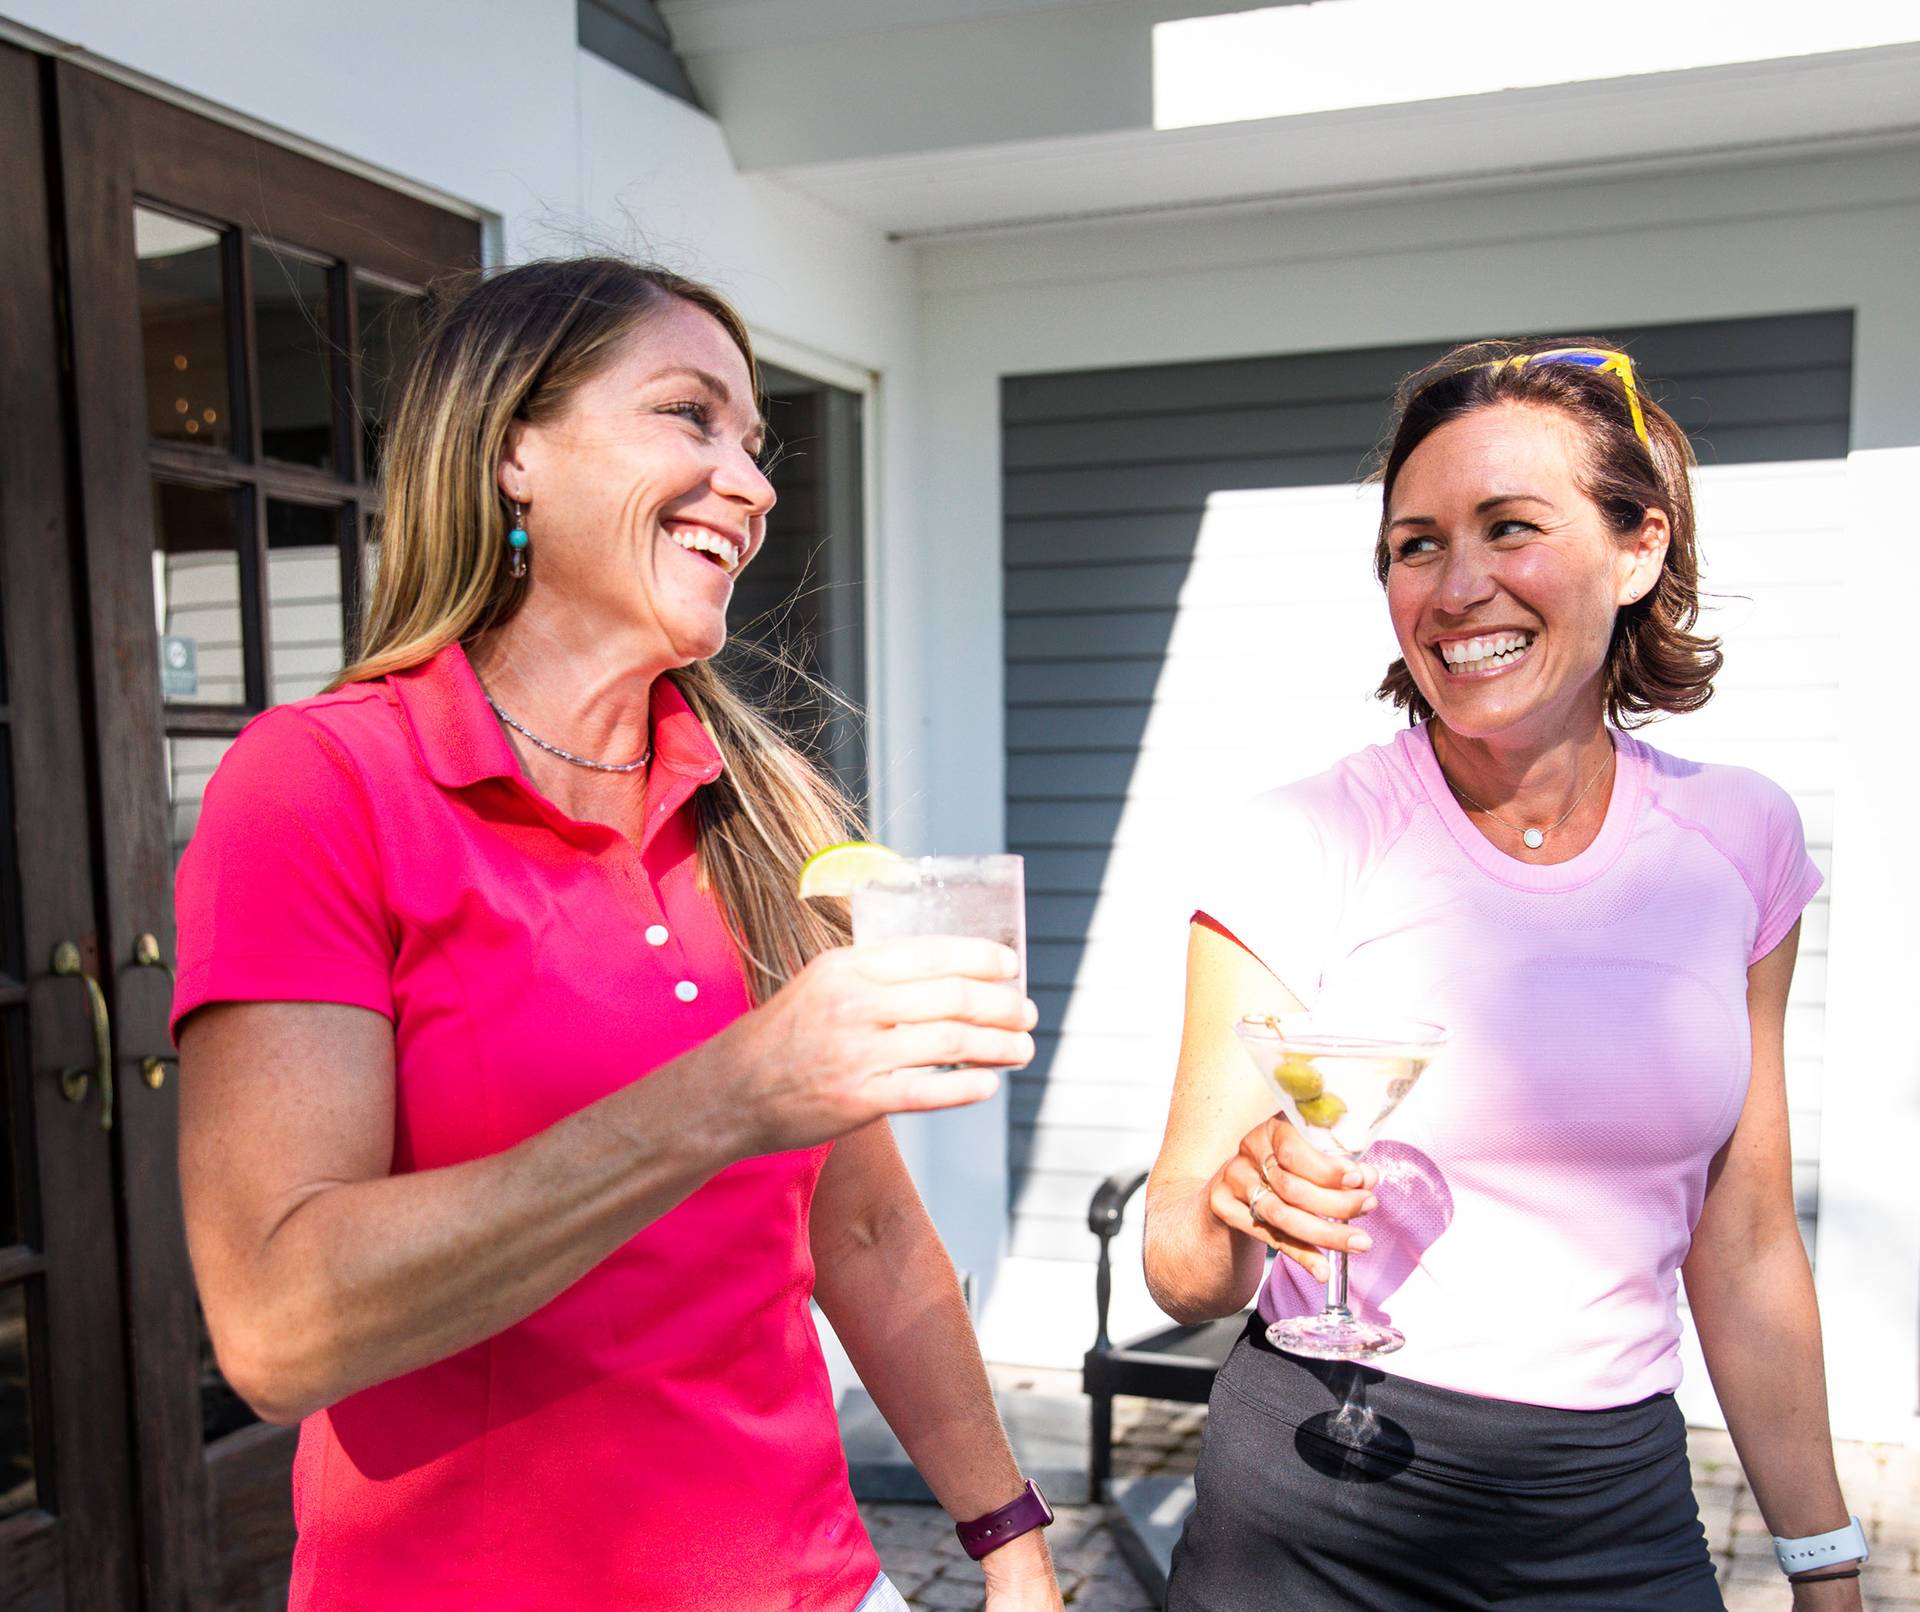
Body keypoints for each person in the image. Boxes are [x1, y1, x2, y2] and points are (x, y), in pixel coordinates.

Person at [173, 258, 1063, 1612]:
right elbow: (277, 1331)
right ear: (512, 450)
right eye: (689, 415)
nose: (752, 485)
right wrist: (728, 1096)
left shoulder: (761, 807)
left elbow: (871, 1230)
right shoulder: (321, 783)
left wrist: (1013, 1543)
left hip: (817, 1584)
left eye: (754, 444)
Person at [1146, 341, 1865, 1610]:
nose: (1458, 585)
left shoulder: (1741, 839)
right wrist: (1242, 1203)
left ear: (1637, 549)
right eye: (1415, 545)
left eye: (1511, 527)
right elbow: (1181, 1261)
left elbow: (1747, 1239)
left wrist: (1822, 1560)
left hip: (1615, 1501)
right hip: (1316, 1496)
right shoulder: (1304, 836)